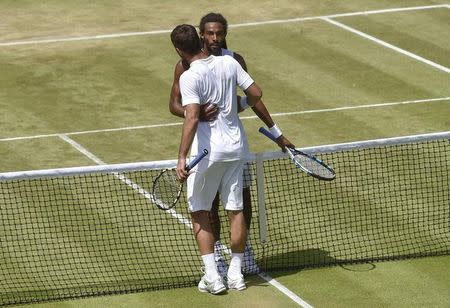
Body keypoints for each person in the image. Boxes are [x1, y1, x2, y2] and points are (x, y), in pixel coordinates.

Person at [170, 24, 293, 294]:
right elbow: (256, 94)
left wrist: (181, 157)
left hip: (208, 154)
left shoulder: (189, 76)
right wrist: (239, 104)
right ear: (199, 40)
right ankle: (236, 274)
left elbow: (191, 116)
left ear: (179, 49)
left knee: (200, 211)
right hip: (237, 149)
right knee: (235, 209)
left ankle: (213, 277)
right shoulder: (229, 62)